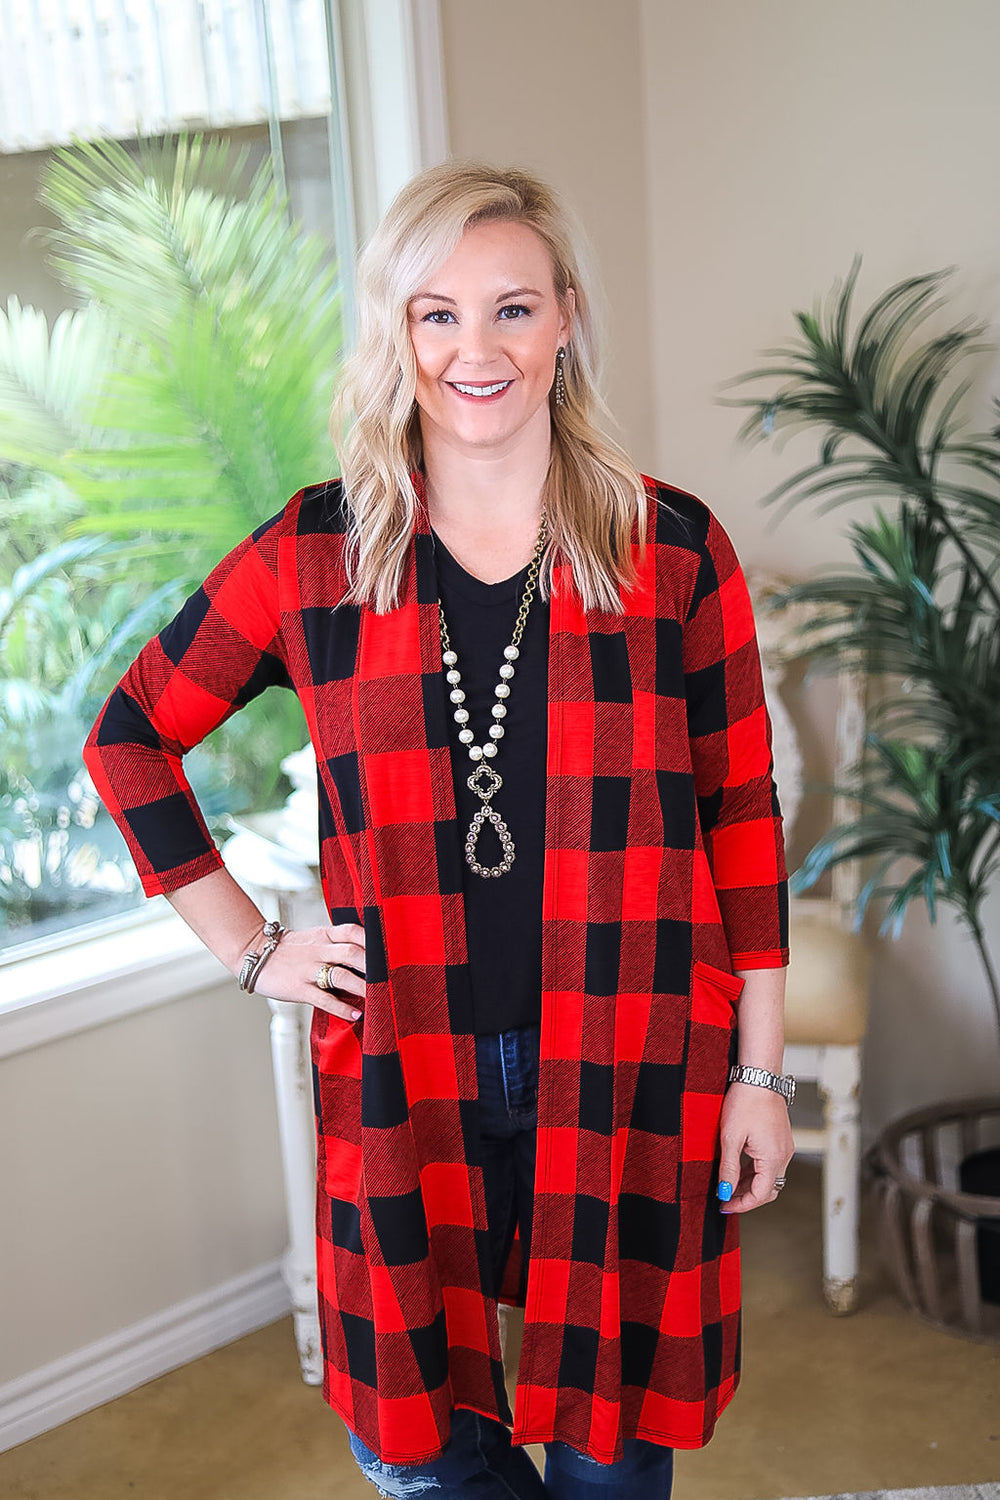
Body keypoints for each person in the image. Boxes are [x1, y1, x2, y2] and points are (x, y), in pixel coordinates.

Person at [83, 160, 793, 1499]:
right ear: (397, 334)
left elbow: (743, 822)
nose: (479, 350)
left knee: (611, 1454)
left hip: (634, 1060)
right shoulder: (313, 557)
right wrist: (251, 949)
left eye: (513, 310)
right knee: (419, 1445)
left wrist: (760, 1075)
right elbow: (130, 735)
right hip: (408, 1067)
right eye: (438, 314)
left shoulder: (674, 552)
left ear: (567, 319)